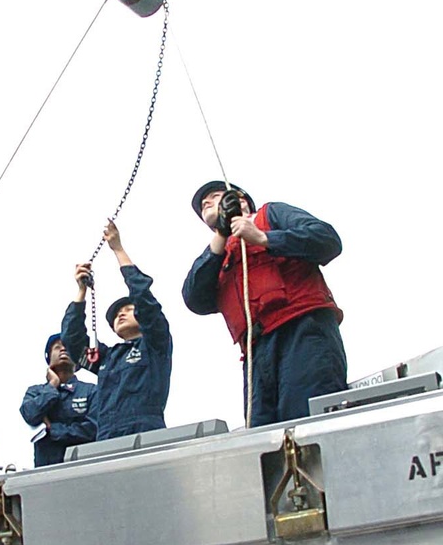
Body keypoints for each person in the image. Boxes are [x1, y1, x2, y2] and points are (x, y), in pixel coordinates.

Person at [182, 180, 346, 426]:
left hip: (302, 332)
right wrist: (219, 240)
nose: (206, 203)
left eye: (214, 196)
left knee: (307, 419)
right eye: (203, 206)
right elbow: (194, 299)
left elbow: (327, 240)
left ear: (239, 199)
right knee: (262, 433)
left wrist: (263, 238)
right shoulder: (218, 256)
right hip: (256, 354)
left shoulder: (271, 214)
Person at [60, 220, 172, 440]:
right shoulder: (106, 358)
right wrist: (81, 292)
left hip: (146, 428)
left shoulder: (156, 344)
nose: (121, 314)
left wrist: (118, 250)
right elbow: (73, 343)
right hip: (107, 433)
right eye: (115, 316)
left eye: (129, 309)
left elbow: (145, 299)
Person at [19, 334, 97, 466]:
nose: (63, 349)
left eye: (67, 347)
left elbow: (93, 430)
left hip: (84, 469)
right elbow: (30, 414)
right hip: (46, 471)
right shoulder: (35, 392)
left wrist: (53, 430)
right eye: (57, 347)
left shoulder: (92, 391)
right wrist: (52, 386)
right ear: (48, 359)